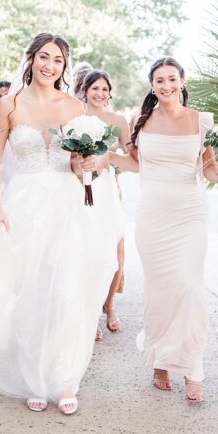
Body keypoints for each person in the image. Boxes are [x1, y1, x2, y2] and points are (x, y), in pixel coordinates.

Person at [0, 33, 116, 415]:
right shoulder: (8, 105)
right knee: (31, 294)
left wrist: (88, 165)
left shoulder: (73, 106)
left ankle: (65, 378)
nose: (51, 65)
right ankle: (33, 378)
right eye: (44, 57)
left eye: (59, 60)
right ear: (30, 59)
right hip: (24, 206)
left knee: (67, 292)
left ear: (65, 67)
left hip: (68, 206)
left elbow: (84, 162)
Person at [110, 57, 218, 403]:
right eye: (159, 81)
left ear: (182, 81)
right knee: (161, 291)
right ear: (152, 85)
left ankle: (193, 368)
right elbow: (135, 164)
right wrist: (105, 158)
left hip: (189, 213)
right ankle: (160, 359)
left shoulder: (201, 122)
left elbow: (207, 170)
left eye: (171, 79)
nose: (165, 86)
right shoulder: (142, 121)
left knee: (190, 287)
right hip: (152, 217)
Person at [76, 68, 130, 341]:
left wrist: (111, 160)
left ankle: (109, 304)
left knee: (114, 251)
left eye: (105, 89)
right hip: (79, 188)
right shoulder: (74, 116)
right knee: (86, 251)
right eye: (95, 88)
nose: (99, 93)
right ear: (85, 90)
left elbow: (133, 155)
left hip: (108, 189)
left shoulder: (118, 120)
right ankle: (89, 313)